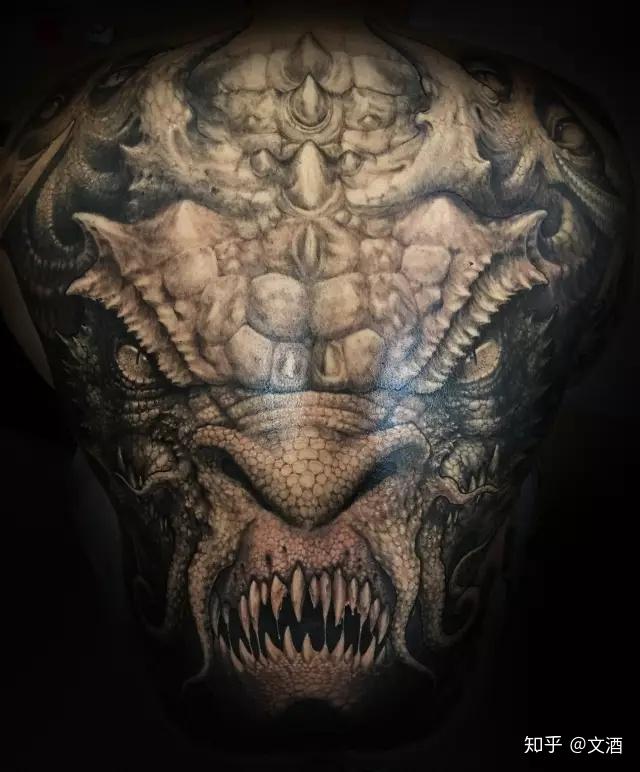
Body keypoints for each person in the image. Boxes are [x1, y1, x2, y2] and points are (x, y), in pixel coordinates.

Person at [0, 0, 633, 765]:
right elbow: (561, 367)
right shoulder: (566, 147)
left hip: (156, 718)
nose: (308, 515)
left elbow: (62, 379)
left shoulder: (47, 147)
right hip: (464, 719)